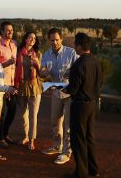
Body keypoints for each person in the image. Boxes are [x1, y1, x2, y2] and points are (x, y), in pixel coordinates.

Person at [62, 33, 102, 178]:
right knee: (90, 138)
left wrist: (64, 89)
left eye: (75, 45)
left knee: (78, 139)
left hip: (80, 106)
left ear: (79, 46)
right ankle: (93, 169)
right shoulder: (96, 61)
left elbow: (73, 89)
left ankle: (81, 172)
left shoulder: (78, 64)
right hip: (93, 104)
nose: (74, 48)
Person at [40, 28, 78, 164]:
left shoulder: (71, 52)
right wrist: (44, 72)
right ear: (49, 40)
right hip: (55, 92)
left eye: (57, 39)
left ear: (61, 39)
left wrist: (72, 74)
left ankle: (66, 152)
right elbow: (42, 72)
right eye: (52, 40)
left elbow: (79, 69)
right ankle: (57, 145)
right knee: (55, 121)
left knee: (68, 124)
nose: (54, 42)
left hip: (69, 93)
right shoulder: (46, 54)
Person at [15, 31, 42, 150]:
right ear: (25, 39)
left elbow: (42, 73)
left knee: (33, 115)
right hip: (21, 86)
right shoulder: (18, 53)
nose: (32, 39)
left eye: (34, 38)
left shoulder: (38, 54)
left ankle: (32, 139)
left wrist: (38, 65)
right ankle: (26, 136)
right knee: (23, 114)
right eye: (30, 37)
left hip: (34, 86)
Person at [0, 21, 18, 147]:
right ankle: (0, 137)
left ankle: (5, 133)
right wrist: (7, 63)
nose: (10, 32)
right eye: (7, 30)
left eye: (12, 30)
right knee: (3, 112)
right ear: (2, 31)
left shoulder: (14, 45)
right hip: (2, 84)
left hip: (12, 83)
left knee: (12, 111)